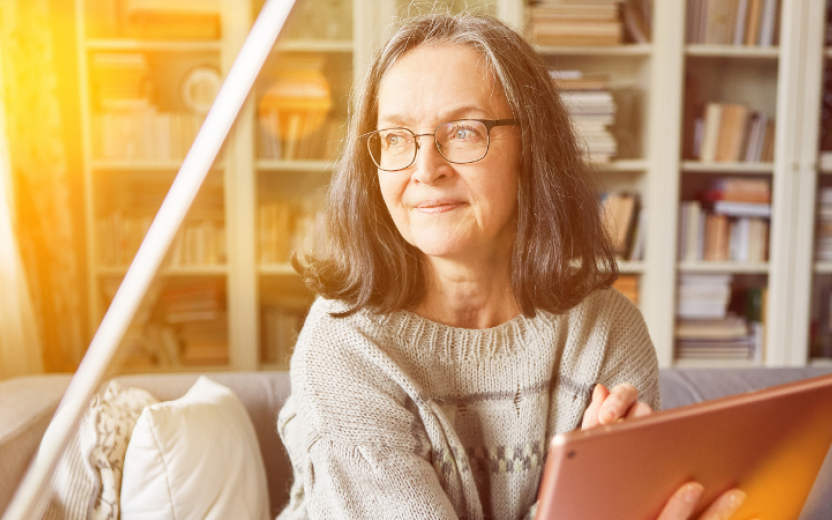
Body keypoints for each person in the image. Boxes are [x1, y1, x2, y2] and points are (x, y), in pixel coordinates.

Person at [276, 12, 747, 520]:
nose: (425, 169)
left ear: (531, 148)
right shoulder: (344, 341)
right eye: (395, 137)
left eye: (462, 131)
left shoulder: (606, 331)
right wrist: (580, 505)